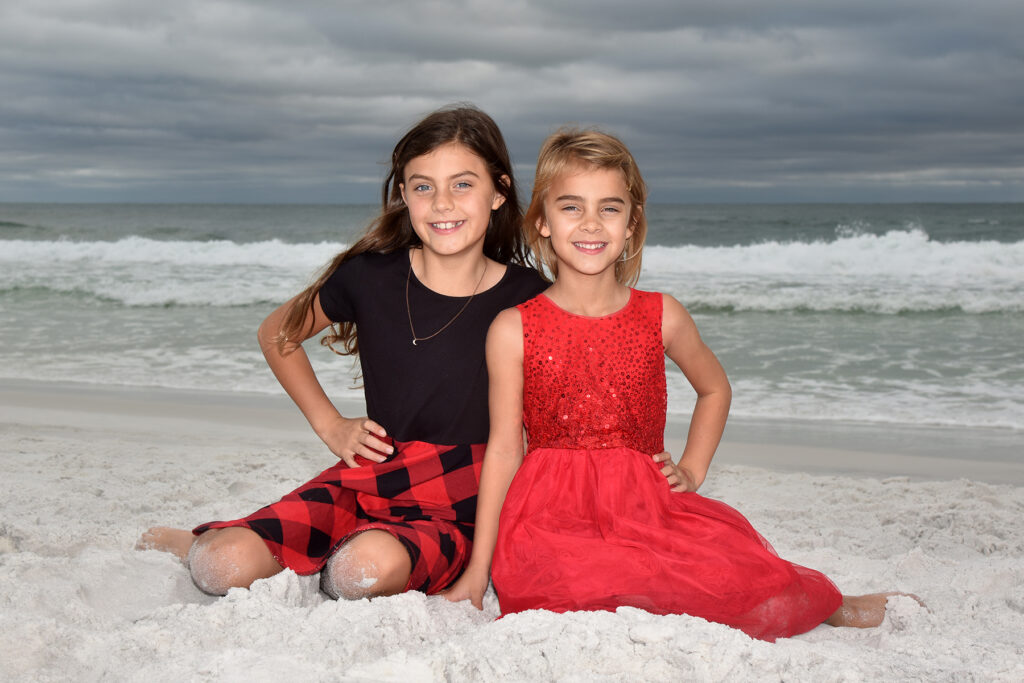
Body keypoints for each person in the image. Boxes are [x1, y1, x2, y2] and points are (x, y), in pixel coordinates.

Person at [444, 129, 906, 642]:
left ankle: (827, 604)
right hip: (549, 519)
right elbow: (505, 449)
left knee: (733, 576)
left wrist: (692, 467)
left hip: (648, 508)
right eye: (571, 207)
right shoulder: (513, 328)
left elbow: (715, 389)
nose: (591, 223)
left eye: (610, 208)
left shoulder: (660, 315)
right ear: (544, 223)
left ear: (632, 223)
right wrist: (478, 570)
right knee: (584, 587)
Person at [137, 105, 548, 600]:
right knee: (220, 566)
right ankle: (197, 541)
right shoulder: (369, 277)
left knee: (360, 572)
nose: (442, 203)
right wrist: (330, 425)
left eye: (462, 184)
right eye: (423, 186)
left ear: (498, 191)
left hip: (466, 500)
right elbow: (277, 334)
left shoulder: (533, 298)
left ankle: (344, 552)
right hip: (371, 474)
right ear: (403, 194)